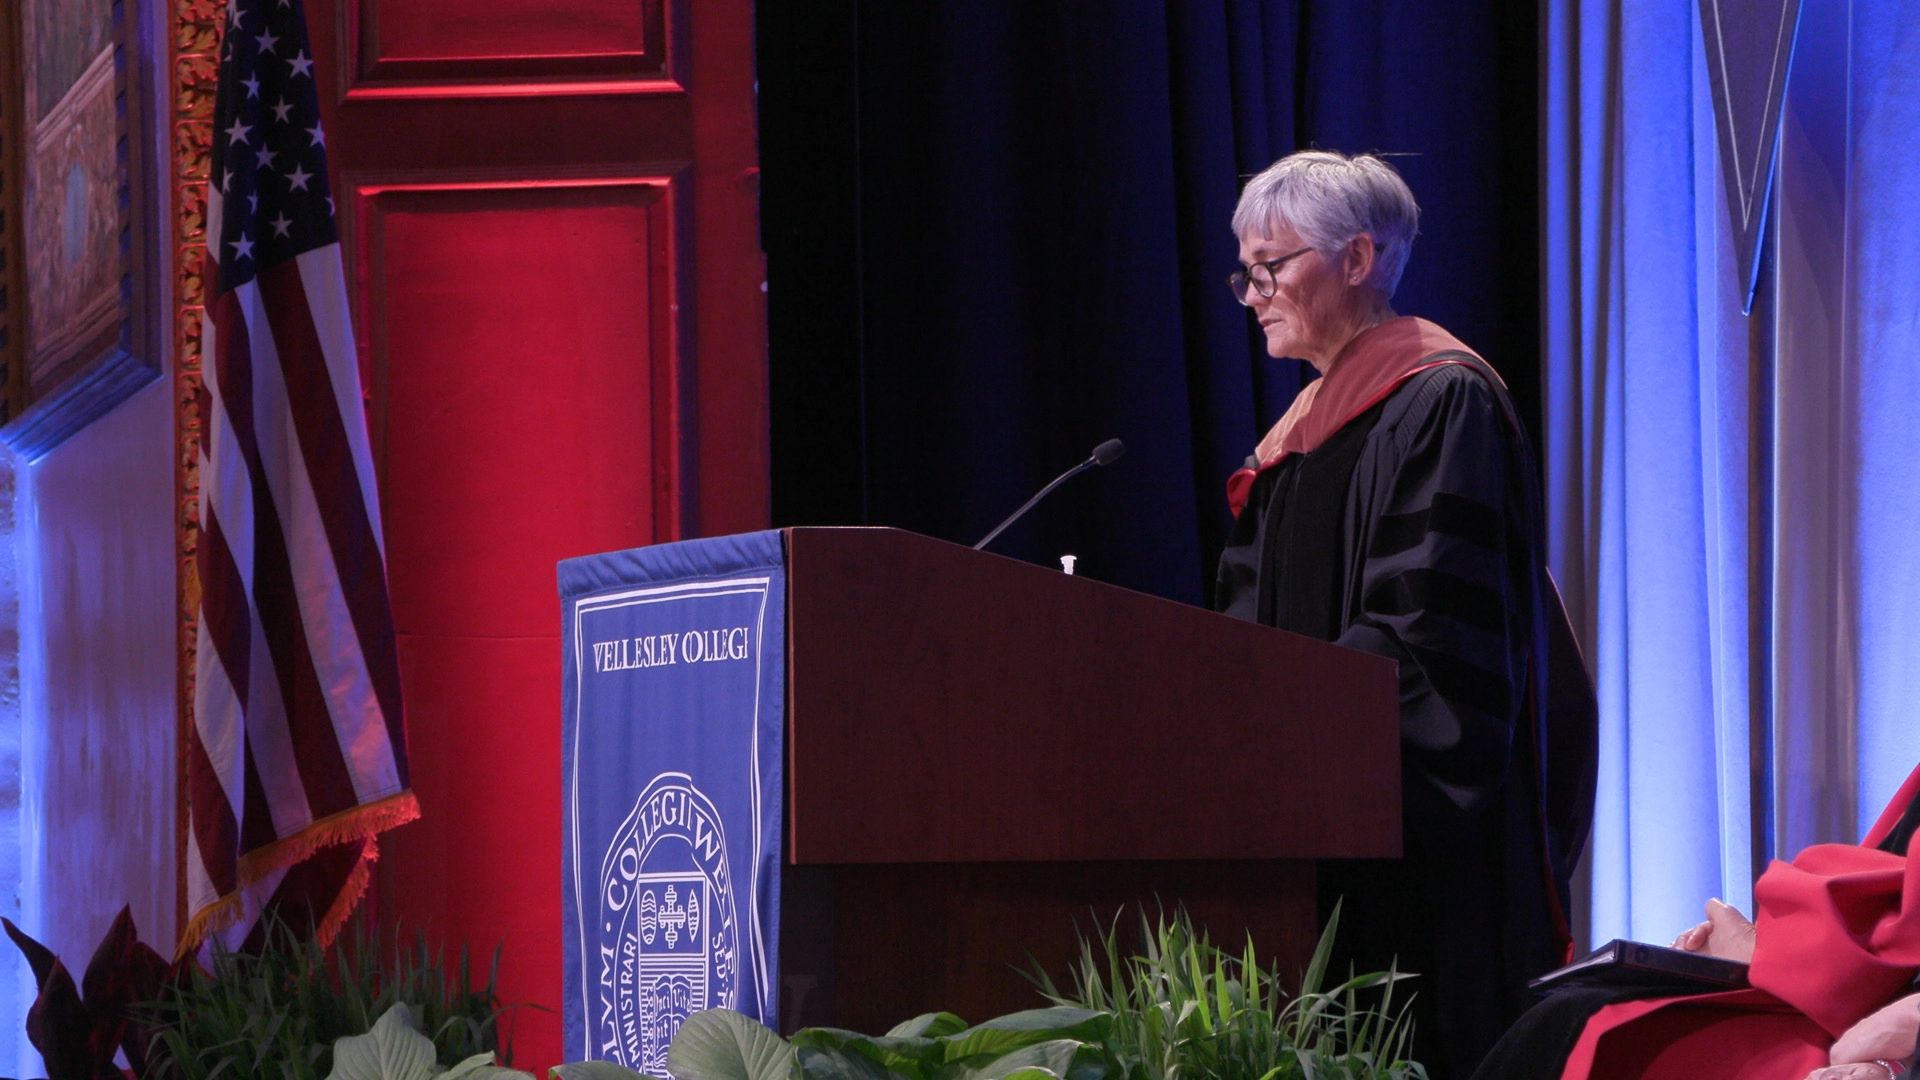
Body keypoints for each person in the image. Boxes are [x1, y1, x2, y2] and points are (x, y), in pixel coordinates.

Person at [1211, 149, 1598, 1080]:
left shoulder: (1443, 398)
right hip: (1309, 830)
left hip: (1410, 847)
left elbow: (1429, 639)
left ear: (1357, 258)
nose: (1254, 295)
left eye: (1271, 268)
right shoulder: (1294, 441)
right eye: (1245, 273)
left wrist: (1295, 741)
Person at [1471, 757, 1920, 1080]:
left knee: (1602, 1031)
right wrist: (1773, 950)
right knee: (1580, 1010)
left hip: (1881, 1025)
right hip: (1869, 999)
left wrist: (1771, 953)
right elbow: (1895, 895)